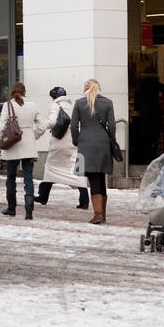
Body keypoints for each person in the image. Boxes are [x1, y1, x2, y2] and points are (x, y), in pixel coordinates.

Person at [36, 86, 90, 210]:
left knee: (51, 168)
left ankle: (43, 196)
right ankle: (84, 200)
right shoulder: (73, 106)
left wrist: (40, 128)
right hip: (75, 142)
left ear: (54, 97)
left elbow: (51, 122)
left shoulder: (56, 105)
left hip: (59, 143)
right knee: (78, 170)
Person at [70, 78, 116, 225]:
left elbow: (73, 126)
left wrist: (77, 140)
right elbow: (112, 126)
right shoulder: (107, 102)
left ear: (85, 88)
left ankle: (97, 214)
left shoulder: (79, 103)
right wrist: (110, 139)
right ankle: (103, 213)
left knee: (93, 178)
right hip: (103, 143)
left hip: (85, 143)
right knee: (101, 177)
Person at [0, 82, 46, 219]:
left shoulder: (8, 105)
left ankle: (11, 208)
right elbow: (42, 127)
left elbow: (1, 127)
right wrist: (32, 136)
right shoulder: (33, 105)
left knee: (11, 176)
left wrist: (1, 139)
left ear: (12, 91)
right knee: (28, 177)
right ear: (24, 92)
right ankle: (29, 211)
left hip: (12, 144)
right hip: (28, 145)